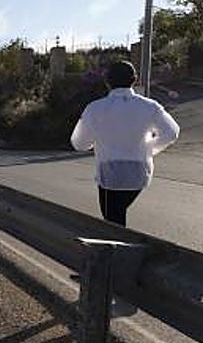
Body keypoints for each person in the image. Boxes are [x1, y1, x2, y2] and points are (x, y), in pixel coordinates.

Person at [70, 60, 179, 228]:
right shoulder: (150, 106)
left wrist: (94, 143)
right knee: (117, 217)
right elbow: (172, 132)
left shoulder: (95, 109)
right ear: (134, 80)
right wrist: (149, 148)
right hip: (139, 173)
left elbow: (79, 143)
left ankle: (120, 251)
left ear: (107, 81)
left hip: (110, 175)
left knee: (113, 222)